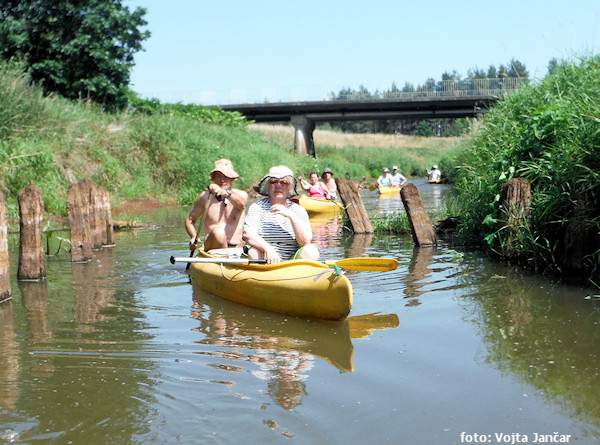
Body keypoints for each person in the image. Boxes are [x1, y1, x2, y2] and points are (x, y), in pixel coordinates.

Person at [243, 165, 319, 264]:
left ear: (289, 188)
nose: (278, 186)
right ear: (268, 186)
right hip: (266, 259)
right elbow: (248, 234)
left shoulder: (298, 210)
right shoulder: (257, 207)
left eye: (284, 182)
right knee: (254, 252)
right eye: (274, 182)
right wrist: (268, 249)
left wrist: (292, 217)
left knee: (311, 251)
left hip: (292, 262)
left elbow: (305, 241)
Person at [185, 159, 248, 252]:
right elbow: (190, 220)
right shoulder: (205, 197)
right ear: (213, 178)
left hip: (236, 247)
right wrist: (194, 236)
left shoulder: (241, 195)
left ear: (232, 178)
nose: (222, 180)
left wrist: (226, 194)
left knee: (251, 239)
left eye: (226, 176)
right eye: (218, 176)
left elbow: (242, 204)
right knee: (218, 232)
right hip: (213, 247)